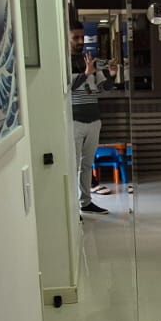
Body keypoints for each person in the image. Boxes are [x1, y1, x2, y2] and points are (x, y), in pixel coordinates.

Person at [69, 26, 106, 214]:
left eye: (82, 37)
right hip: (75, 121)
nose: (80, 41)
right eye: (75, 37)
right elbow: (69, 87)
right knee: (73, 165)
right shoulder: (64, 61)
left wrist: (112, 75)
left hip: (94, 120)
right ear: (68, 38)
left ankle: (86, 202)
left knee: (87, 164)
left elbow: (104, 88)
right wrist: (86, 73)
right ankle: (73, 210)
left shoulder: (90, 59)